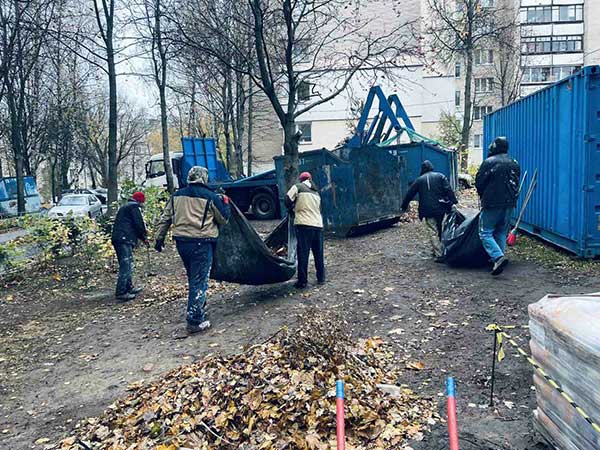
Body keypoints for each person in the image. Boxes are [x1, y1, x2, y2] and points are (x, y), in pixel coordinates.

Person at [154, 166, 231, 334]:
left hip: (182, 243)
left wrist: (158, 239)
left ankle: (198, 308)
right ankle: (195, 320)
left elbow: (164, 218)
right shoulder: (210, 196)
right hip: (202, 243)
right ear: (204, 178)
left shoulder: (176, 196)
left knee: (193, 278)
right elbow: (223, 219)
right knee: (199, 280)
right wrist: (225, 204)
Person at [476, 136, 521, 276]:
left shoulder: (489, 162)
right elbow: (515, 182)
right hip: (509, 203)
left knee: (485, 232)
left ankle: (498, 257)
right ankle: (498, 260)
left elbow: (479, 182)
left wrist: (482, 195)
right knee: (501, 231)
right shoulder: (514, 163)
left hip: (492, 203)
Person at [401, 160, 457, 260]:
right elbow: (448, 189)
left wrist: (404, 206)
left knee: (432, 231)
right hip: (441, 208)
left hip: (427, 210)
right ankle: (440, 250)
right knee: (440, 228)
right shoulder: (440, 176)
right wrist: (454, 202)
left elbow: (410, 194)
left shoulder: (419, 180)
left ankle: (439, 254)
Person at [286, 171, 325, 289]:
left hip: (304, 224)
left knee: (303, 253)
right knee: (318, 253)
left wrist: (291, 209)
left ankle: (302, 281)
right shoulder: (316, 193)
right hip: (318, 225)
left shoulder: (297, 187)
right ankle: (321, 278)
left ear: (301, 179)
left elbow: (287, 198)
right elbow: (319, 209)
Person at [111, 191, 148, 301]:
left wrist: (142, 238)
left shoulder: (127, 206)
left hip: (121, 238)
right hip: (124, 239)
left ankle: (129, 287)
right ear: (140, 201)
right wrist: (144, 237)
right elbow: (138, 223)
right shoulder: (134, 207)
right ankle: (121, 292)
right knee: (126, 265)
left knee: (128, 263)